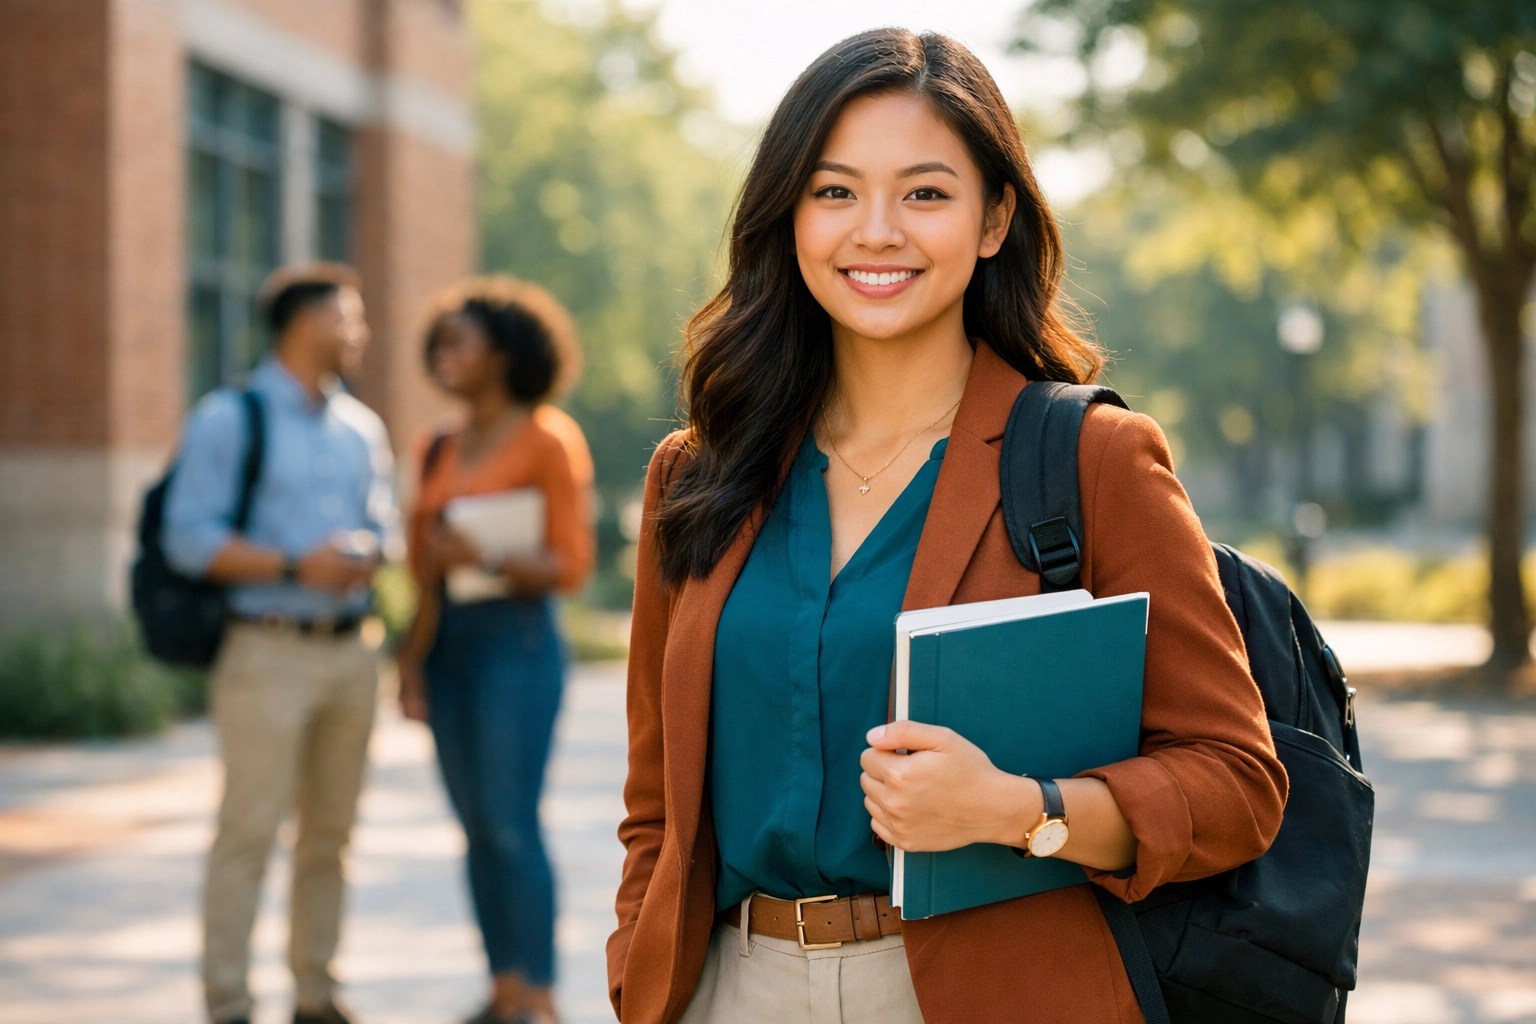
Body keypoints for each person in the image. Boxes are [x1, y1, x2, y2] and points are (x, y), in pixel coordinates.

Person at [608, 28, 1289, 1024]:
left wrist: (1022, 811)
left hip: (989, 992)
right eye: (834, 191)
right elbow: (655, 805)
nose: (875, 230)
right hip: (730, 985)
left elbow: (1237, 783)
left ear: (993, 218)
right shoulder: (698, 475)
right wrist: (639, 970)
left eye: (925, 193)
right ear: (787, 217)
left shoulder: (1094, 460)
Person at [164, 263, 397, 1024]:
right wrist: (299, 564)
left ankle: (315, 994)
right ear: (306, 324)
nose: (359, 333)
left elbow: (385, 524)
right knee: (250, 830)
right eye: (349, 318)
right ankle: (227, 1001)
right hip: (265, 649)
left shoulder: (362, 429)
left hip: (351, 652)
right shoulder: (229, 419)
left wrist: (367, 552)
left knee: (331, 835)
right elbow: (189, 538)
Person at [396, 277, 596, 1024]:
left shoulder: (548, 438)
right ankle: (501, 987)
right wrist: (410, 662)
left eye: (460, 340)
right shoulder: (435, 447)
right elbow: (422, 571)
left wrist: (484, 556)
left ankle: (538, 994)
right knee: (475, 827)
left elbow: (570, 564)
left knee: (512, 824)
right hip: (447, 647)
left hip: (517, 643)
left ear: (504, 352)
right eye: (438, 342)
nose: (444, 354)